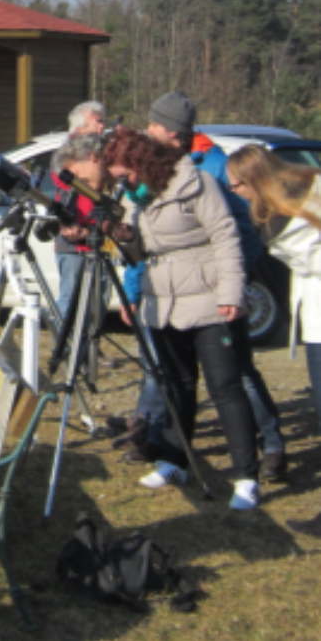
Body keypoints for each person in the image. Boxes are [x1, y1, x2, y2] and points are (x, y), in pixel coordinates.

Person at [103, 127, 261, 510]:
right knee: (176, 384)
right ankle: (174, 461)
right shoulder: (141, 199)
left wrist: (230, 294)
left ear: (142, 164)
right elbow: (143, 252)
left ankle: (246, 477)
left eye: (125, 175)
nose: (123, 184)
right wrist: (122, 236)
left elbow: (226, 236)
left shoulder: (198, 183)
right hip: (165, 303)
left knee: (225, 387)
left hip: (208, 301)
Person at [133, 93, 287, 479]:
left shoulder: (212, 168)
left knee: (235, 379)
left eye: (153, 124)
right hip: (175, 294)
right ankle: (174, 457)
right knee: (182, 380)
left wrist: (233, 283)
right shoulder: (155, 177)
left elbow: (238, 230)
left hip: (216, 292)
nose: (147, 130)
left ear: (172, 131)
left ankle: (269, 449)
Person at [226, 145, 321, 534]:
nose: (233, 192)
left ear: (254, 180)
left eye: (236, 185)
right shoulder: (275, 208)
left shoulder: (308, 197)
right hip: (315, 316)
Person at [52, 102, 106, 319]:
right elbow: (65, 184)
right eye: (98, 121)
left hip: (97, 235)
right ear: (80, 128)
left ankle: (86, 348)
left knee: (97, 301)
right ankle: (65, 347)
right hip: (73, 241)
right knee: (70, 299)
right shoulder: (68, 155)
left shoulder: (102, 153)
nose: (103, 127)